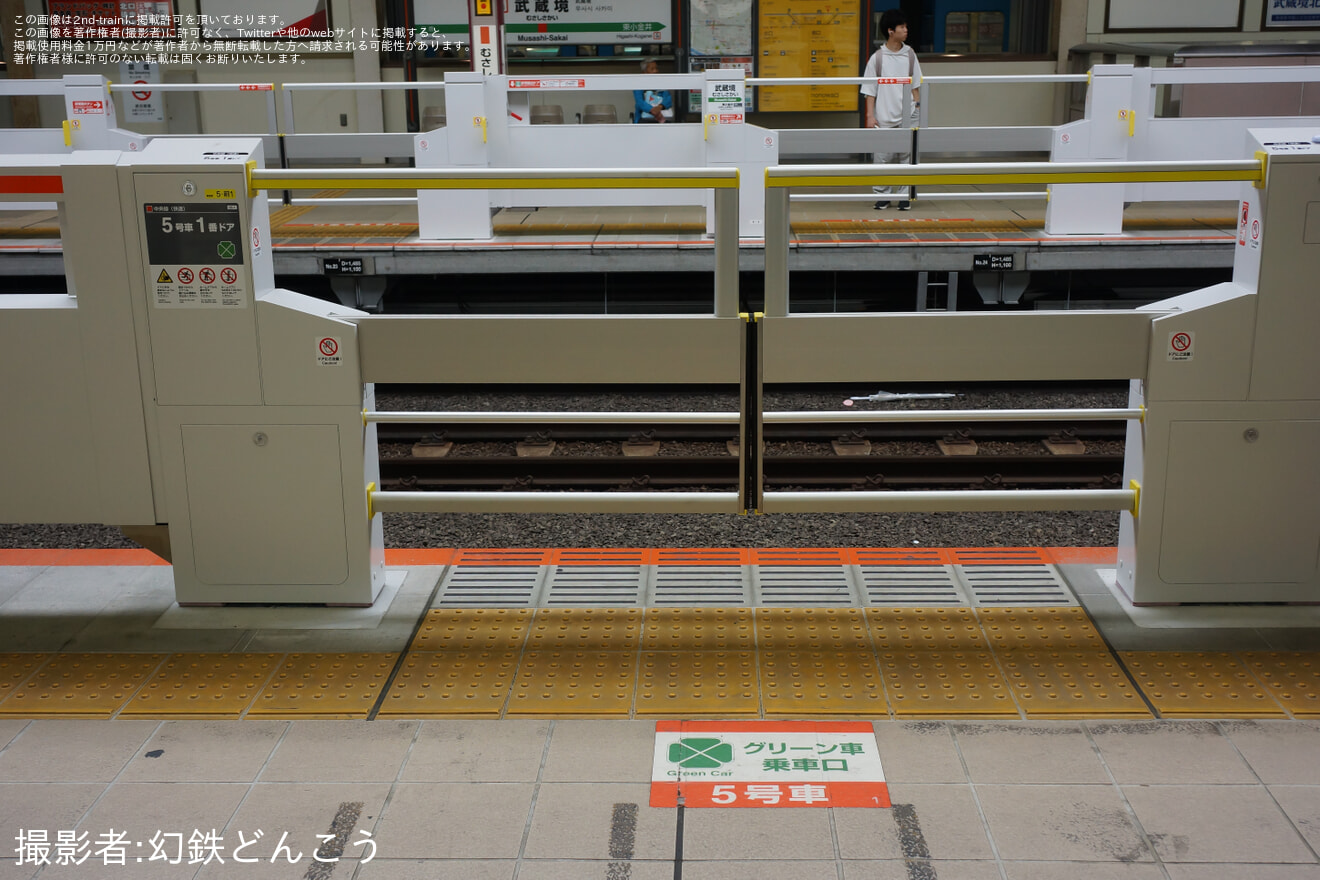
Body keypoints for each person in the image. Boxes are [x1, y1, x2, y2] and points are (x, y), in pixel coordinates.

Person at [859, 9, 922, 209]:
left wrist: (917, 109)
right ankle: (882, 195)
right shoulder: (877, 58)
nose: (906, 30)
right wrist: (870, 116)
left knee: (907, 157)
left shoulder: (910, 55)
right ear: (890, 31)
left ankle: (905, 196)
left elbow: (915, 85)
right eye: (901, 27)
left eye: (905, 26)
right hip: (883, 116)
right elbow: (870, 90)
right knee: (882, 158)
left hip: (908, 115)